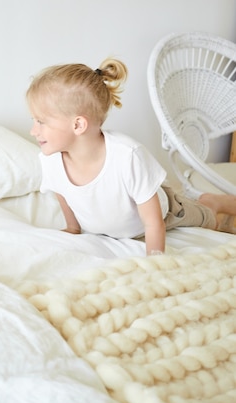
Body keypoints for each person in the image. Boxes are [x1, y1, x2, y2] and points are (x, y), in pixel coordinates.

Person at [26, 58, 236, 256]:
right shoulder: (50, 160)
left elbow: (153, 223)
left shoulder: (127, 157)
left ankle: (212, 202)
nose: (33, 131)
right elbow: (63, 193)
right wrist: (73, 228)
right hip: (120, 224)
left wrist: (155, 260)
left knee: (209, 220)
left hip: (167, 212)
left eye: (41, 122)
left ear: (78, 125)